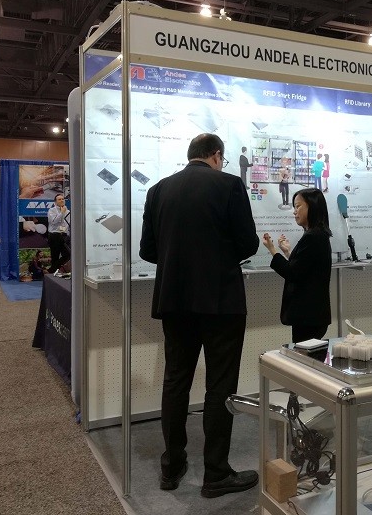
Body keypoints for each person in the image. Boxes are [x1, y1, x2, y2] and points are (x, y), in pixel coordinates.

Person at [139, 133, 259, 498]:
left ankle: (172, 466)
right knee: (220, 385)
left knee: (176, 381)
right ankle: (216, 473)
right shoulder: (230, 185)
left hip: (174, 299)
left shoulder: (158, 190)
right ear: (217, 156)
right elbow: (248, 243)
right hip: (221, 300)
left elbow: (147, 251)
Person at [261, 188, 332, 343]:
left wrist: (273, 250)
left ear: (312, 207)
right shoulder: (317, 234)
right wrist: (288, 252)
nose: (294, 212)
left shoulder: (313, 236)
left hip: (308, 316)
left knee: (304, 355)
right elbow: (304, 268)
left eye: (298, 206)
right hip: (312, 316)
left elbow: (292, 273)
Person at [47, 194, 70, 274]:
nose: (62, 200)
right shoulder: (52, 210)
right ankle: (52, 273)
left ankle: (51, 270)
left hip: (64, 235)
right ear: (55, 202)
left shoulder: (68, 211)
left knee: (67, 254)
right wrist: (61, 213)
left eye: (63, 199)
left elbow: (67, 224)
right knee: (55, 256)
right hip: (54, 235)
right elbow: (53, 221)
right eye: (59, 199)